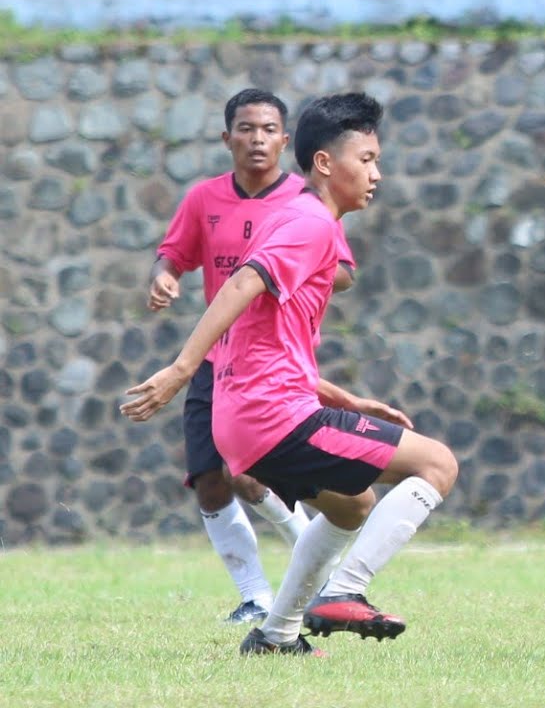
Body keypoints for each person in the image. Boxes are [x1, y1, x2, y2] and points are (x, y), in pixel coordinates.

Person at [122, 92, 459, 657]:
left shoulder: (298, 219)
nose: (377, 173)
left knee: (352, 505)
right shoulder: (310, 223)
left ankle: (276, 635)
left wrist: (347, 399)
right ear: (326, 164)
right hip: (274, 416)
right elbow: (240, 285)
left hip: (248, 417)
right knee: (438, 463)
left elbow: (265, 341)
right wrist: (181, 369)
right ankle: (345, 591)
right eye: (368, 159)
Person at [150, 88, 356, 624]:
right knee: (210, 478)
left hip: (277, 363)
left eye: (268, 130)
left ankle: (312, 569)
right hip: (217, 359)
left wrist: (273, 265)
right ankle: (255, 596)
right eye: (246, 128)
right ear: (227, 138)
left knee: (256, 475)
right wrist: (165, 278)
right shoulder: (203, 199)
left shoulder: (303, 207)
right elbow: (172, 256)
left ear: (286, 141)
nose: (257, 139)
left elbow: (345, 273)